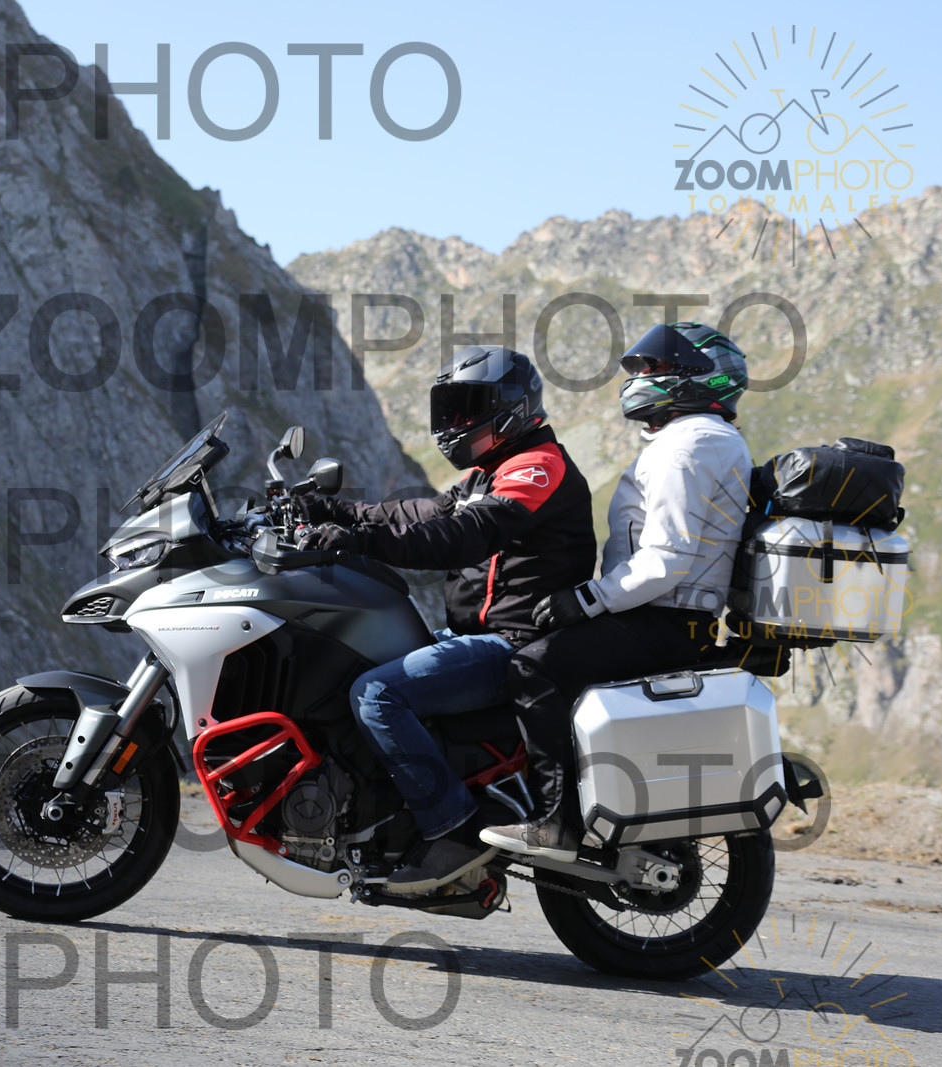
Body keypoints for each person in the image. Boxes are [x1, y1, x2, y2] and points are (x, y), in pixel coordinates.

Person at [298, 345, 595, 890]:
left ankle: (453, 831)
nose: (455, 421)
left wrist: (358, 541)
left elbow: (463, 535)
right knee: (356, 660)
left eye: (469, 408)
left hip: (515, 642)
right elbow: (420, 511)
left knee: (377, 694)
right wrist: (336, 510)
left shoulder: (537, 466)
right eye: (451, 408)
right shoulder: (489, 471)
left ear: (512, 407)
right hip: (477, 633)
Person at [480, 322, 754, 862]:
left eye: (654, 368)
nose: (639, 378)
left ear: (698, 377)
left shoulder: (689, 446)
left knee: (533, 668)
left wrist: (588, 599)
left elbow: (667, 557)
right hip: (667, 615)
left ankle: (555, 822)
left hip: (664, 617)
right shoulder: (698, 440)